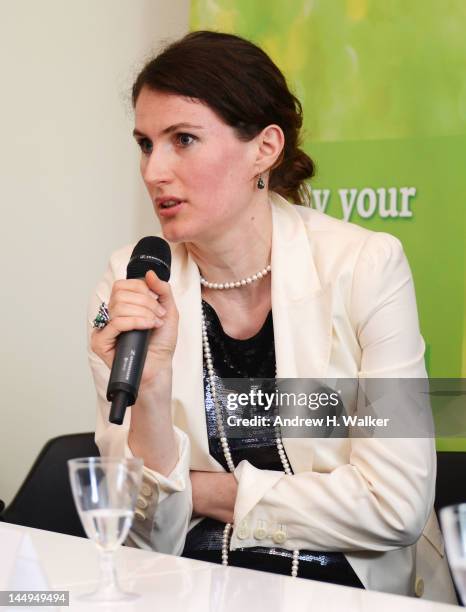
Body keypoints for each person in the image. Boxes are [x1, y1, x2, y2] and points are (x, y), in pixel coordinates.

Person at [88, 31, 456, 601]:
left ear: (264, 148)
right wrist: (153, 393)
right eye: (144, 143)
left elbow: (395, 506)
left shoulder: (364, 266)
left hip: (341, 591)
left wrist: (206, 492)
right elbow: (137, 526)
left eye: (183, 139)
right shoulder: (132, 283)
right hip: (184, 588)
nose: (155, 171)